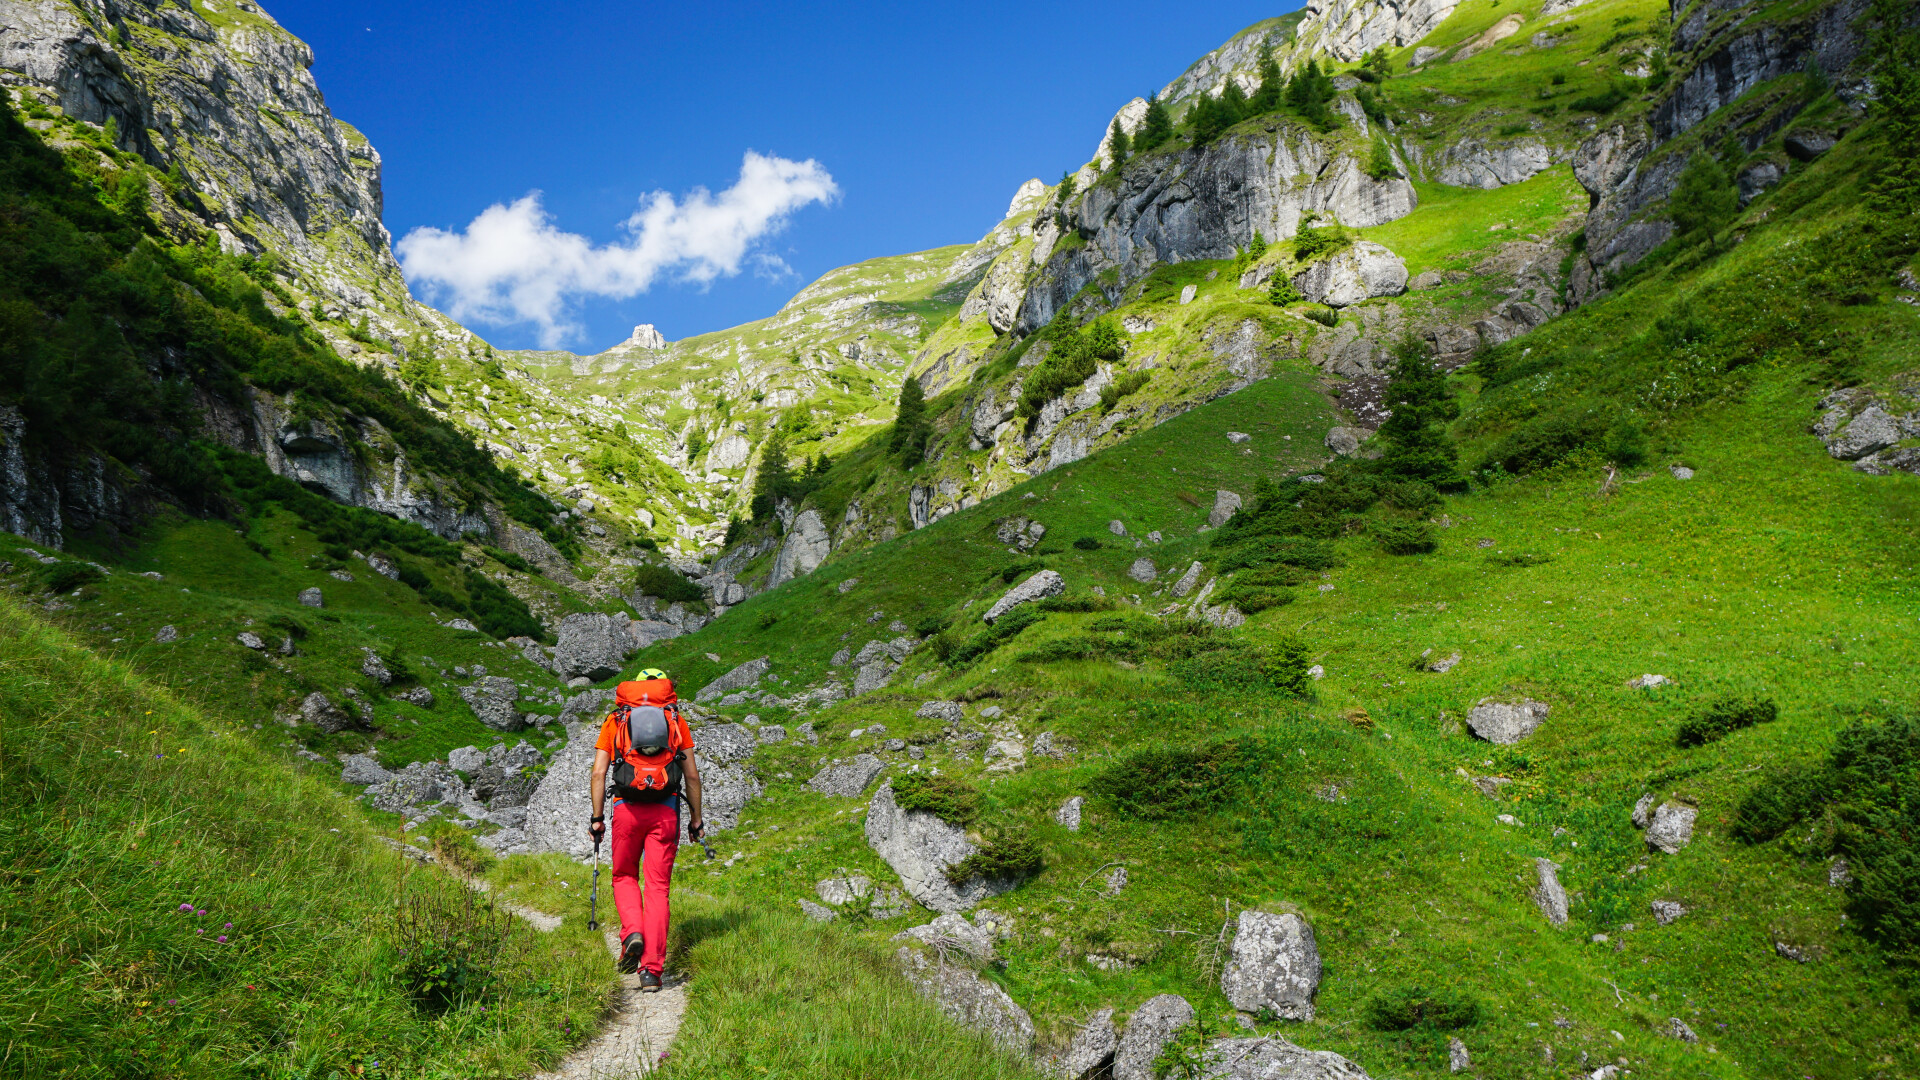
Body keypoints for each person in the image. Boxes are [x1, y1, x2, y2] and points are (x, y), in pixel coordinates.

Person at [587, 668, 703, 991]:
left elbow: (599, 773)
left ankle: (632, 933)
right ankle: (651, 970)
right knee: (657, 888)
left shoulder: (616, 719)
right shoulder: (675, 720)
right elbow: (691, 777)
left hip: (626, 809)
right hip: (665, 810)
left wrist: (597, 819)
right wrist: (697, 820)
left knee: (624, 876)